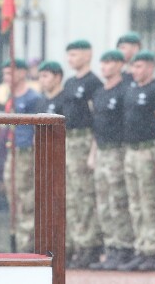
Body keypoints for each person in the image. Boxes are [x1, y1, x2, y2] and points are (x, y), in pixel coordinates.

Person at [118, 50, 155, 272]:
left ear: (149, 67)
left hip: (148, 149)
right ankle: (141, 246)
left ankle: (154, 248)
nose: (134, 71)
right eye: (133, 67)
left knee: (150, 202)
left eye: (139, 67)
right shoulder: (130, 90)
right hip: (131, 150)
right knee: (135, 203)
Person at [87, 50, 135, 270]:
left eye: (109, 63)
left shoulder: (125, 89)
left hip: (119, 149)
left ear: (120, 65)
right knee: (104, 204)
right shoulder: (99, 92)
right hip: (103, 150)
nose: (104, 67)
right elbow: (97, 126)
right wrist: (93, 153)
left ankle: (124, 247)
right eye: (103, 63)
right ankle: (111, 246)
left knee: (119, 201)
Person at [62, 39, 103, 269]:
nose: (71, 59)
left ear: (88, 55)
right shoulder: (69, 83)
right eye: (69, 55)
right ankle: (75, 244)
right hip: (69, 140)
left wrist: (92, 152)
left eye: (75, 54)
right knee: (71, 196)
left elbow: (97, 118)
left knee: (84, 194)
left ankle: (89, 245)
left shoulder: (93, 83)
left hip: (85, 139)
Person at [1, 59, 42, 252]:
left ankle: (27, 245)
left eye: (10, 73)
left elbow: (38, 128)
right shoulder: (10, 97)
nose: (6, 78)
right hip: (13, 151)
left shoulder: (33, 98)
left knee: (26, 198)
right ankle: (16, 242)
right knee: (13, 197)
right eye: (5, 74)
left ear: (22, 73)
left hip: (26, 152)